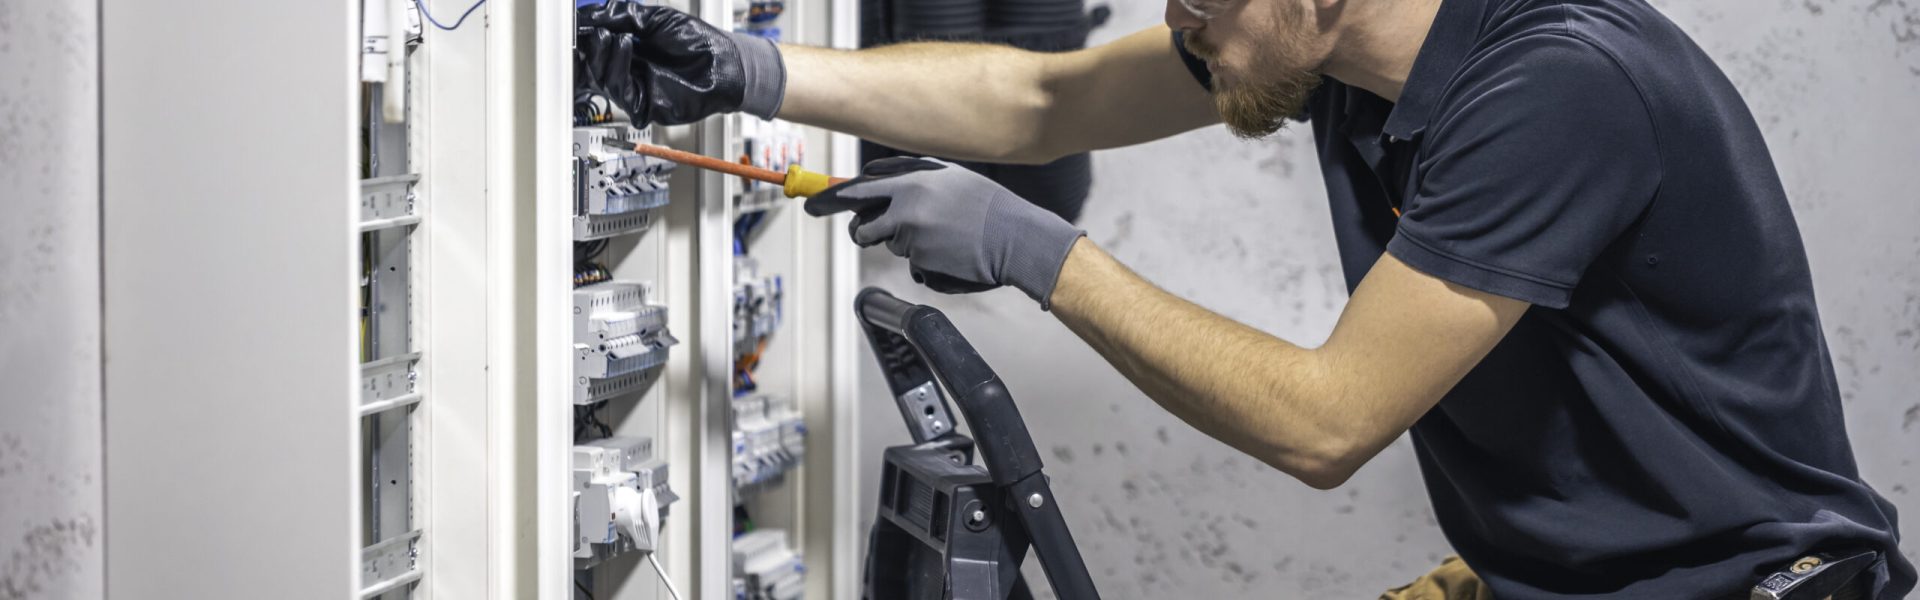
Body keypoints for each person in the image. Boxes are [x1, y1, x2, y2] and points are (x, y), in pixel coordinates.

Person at [574, 0, 1916, 596]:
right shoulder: (1331, 51)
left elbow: (1327, 423)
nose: (1185, 21)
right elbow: (1039, 101)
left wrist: (1033, 255)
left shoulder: (1555, 90)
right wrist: (750, 73)